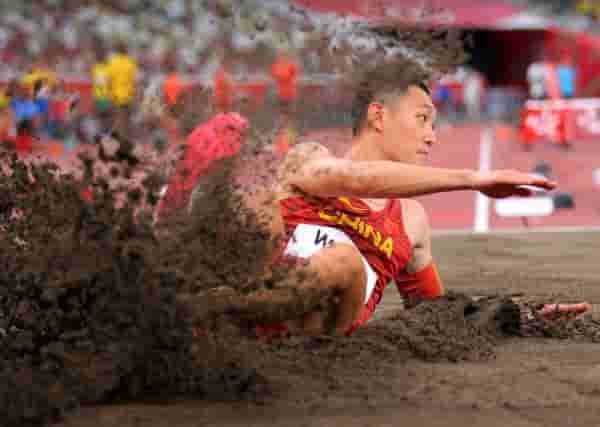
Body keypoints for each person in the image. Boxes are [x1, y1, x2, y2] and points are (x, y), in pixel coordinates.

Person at [190, 60, 587, 338]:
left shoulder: (412, 221)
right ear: (378, 117)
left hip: (320, 328)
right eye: (422, 119)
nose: (432, 135)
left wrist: (522, 316)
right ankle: (207, 305)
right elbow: (353, 177)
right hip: (260, 283)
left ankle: (218, 311)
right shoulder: (309, 160)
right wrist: (470, 178)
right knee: (256, 202)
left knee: (342, 262)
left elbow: (439, 314)